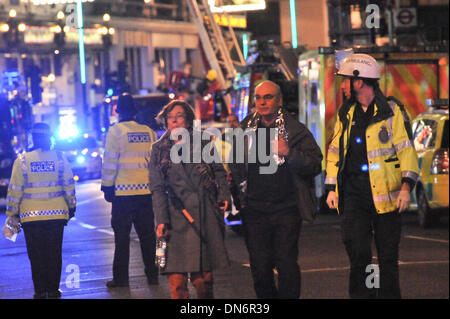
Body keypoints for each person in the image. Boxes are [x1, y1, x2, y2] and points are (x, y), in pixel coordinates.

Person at [325, 53, 419, 299]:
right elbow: (335, 152)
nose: (342, 86)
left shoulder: (391, 111)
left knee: (388, 258)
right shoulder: (346, 114)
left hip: (386, 199)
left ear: (359, 81)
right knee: (359, 255)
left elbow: (405, 149)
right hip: (355, 197)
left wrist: (407, 186)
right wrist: (332, 187)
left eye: (345, 80)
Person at [229, 80, 323, 299]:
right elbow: (234, 164)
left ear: (279, 101)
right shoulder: (245, 129)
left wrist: (288, 152)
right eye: (259, 98)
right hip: (254, 209)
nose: (262, 102)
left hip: (286, 209)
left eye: (268, 97)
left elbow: (315, 164)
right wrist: (240, 195)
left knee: (286, 264)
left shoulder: (294, 129)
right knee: (260, 269)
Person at [149, 100, 230, 299]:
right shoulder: (158, 149)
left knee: (203, 282)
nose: (174, 120)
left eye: (180, 116)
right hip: (173, 219)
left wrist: (223, 196)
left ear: (188, 120)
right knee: (177, 285)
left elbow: (219, 172)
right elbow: (157, 188)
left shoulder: (203, 142)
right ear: (166, 121)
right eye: (170, 117)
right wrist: (161, 220)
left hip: (203, 215)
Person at [4, 123, 76, 299]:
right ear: (50, 137)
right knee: (54, 253)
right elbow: (69, 185)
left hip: (31, 218)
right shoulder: (59, 158)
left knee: (36, 255)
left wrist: (12, 214)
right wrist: (71, 206)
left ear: (33, 138)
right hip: (57, 216)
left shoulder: (22, 161)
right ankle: (53, 290)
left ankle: (40, 290)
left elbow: (14, 190)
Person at [101, 93, 159, 288]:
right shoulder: (149, 132)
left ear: (118, 111)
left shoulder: (115, 132)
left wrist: (107, 187)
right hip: (146, 194)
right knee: (148, 238)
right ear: (135, 111)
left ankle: (121, 279)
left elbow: (110, 162)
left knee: (122, 239)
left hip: (123, 195)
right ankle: (153, 275)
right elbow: (154, 163)